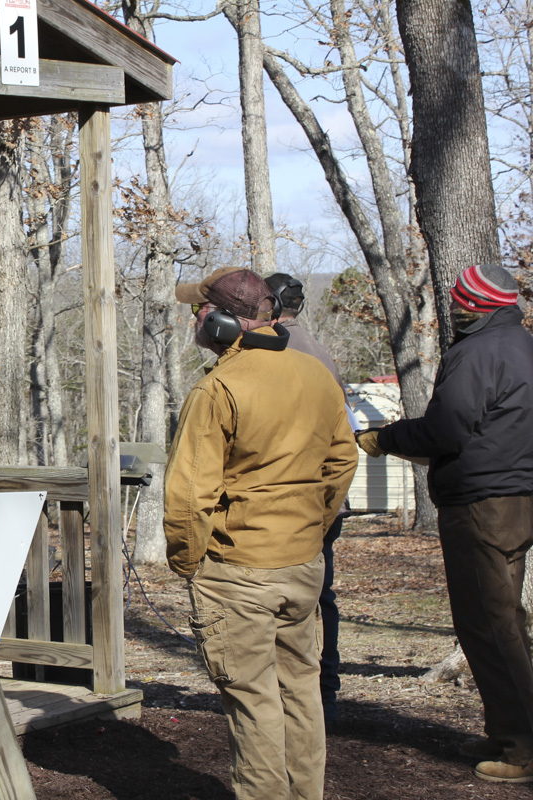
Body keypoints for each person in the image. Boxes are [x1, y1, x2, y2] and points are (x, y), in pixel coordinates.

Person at [165, 267, 357, 800]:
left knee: (253, 701)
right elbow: (342, 464)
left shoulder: (218, 387)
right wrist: (311, 531)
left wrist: (187, 562)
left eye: (199, 311)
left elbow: (189, 497)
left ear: (223, 322)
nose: (193, 320)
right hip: (303, 565)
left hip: (239, 571)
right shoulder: (315, 374)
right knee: (300, 691)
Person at [357, 263, 533, 783]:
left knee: (488, 624)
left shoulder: (479, 351)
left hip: (483, 504)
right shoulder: (521, 345)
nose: (453, 309)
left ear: (475, 306)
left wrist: (385, 438)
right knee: (505, 621)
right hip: (516, 498)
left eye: (459, 302)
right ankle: (509, 730)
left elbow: (446, 429)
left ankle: (521, 749)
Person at [265, 272, 352, 728]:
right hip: (323, 498)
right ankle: (324, 694)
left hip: (296, 499)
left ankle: (302, 698)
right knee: (321, 596)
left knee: (288, 598)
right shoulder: (320, 350)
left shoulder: (280, 351)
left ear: (273, 306)